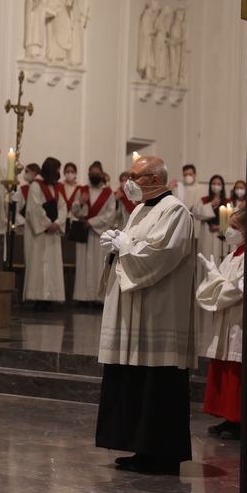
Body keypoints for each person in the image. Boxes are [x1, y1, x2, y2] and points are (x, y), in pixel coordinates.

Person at [96, 155, 195, 475]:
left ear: (154, 180)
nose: (129, 183)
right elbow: (133, 248)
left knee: (158, 383)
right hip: (136, 311)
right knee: (136, 380)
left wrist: (124, 243)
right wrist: (117, 245)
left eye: (135, 177)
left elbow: (160, 255)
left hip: (159, 312)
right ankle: (143, 448)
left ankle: (163, 454)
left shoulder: (175, 211)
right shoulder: (140, 209)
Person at [196, 205, 247, 441]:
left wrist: (215, 278)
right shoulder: (233, 255)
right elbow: (222, 286)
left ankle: (240, 419)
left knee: (237, 370)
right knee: (225, 366)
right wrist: (215, 275)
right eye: (229, 226)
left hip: (239, 319)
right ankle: (229, 416)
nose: (229, 231)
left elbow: (236, 289)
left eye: (235, 227)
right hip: (226, 317)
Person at [24, 157, 67, 308]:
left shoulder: (56, 187)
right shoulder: (36, 186)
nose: (59, 173)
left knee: (52, 265)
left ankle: (50, 298)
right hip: (40, 234)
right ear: (50, 169)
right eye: (57, 169)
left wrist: (57, 223)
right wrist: (47, 224)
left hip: (53, 232)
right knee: (39, 264)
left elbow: (62, 206)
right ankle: (37, 298)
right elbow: (33, 208)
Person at [70, 161, 113, 304]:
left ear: (102, 174)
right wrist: (81, 203)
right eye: (92, 173)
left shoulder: (108, 193)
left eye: (97, 173)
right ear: (88, 174)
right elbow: (74, 211)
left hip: (99, 234)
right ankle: (83, 297)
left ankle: (98, 298)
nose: (95, 175)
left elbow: (110, 214)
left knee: (98, 265)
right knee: (83, 265)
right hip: (84, 233)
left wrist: (92, 222)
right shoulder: (82, 190)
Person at [191, 175, 228, 266]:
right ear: (210, 185)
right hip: (206, 235)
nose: (216, 186)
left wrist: (220, 227)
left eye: (218, 184)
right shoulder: (204, 200)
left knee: (219, 259)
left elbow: (230, 220)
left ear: (222, 186)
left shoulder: (227, 202)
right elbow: (197, 214)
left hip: (220, 236)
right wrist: (211, 204)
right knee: (205, 259)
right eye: (214, 183)